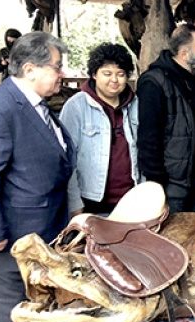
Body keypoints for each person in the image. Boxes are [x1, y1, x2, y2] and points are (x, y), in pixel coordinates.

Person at [0, 32, 71, 322]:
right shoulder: (0, 110)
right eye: (57, 66)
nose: (62, 74)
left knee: (21, 299)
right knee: (8, 302)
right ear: (31, 68)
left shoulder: (33, 103)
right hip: (10, 230)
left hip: (37, 224)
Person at [136, 24, 195, 212]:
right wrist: (157, 186)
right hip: (172, 185)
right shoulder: (154, 82)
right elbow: (148, 139)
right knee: (171, 239)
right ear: (184, 54)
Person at [60, 43, 141, 215]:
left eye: (120, 74)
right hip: (91, 202)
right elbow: (67, 160)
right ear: (94, 74)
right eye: (107, 73)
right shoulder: (76, 106)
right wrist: (75, 204)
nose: (114, 80)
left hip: (131, 199)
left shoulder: (135, 104)